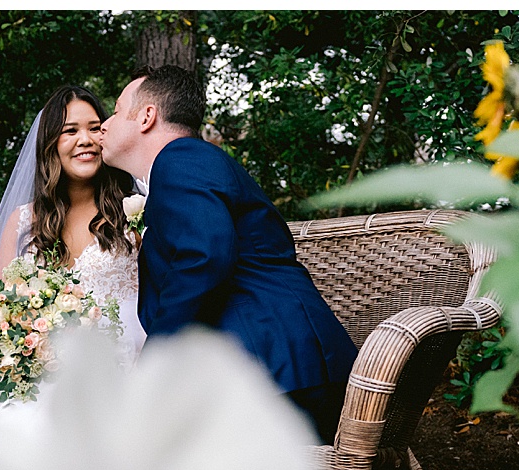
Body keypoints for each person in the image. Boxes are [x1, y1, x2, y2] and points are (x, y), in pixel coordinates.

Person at [100, 65, 357, 444]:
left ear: (147, 117)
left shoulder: (180, 158)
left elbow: (203, 257)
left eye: (118, 110)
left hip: (276, 370)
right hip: (277, 368)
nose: (104, 125)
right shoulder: (187, 166)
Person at [0, 84, 146, 394]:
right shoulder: (22, 221)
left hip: (117, 369)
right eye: (70, 131)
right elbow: (1, 307)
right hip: (36, 375)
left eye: (94, 128)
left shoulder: (133, 212)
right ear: (50, 144)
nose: (85, 140)